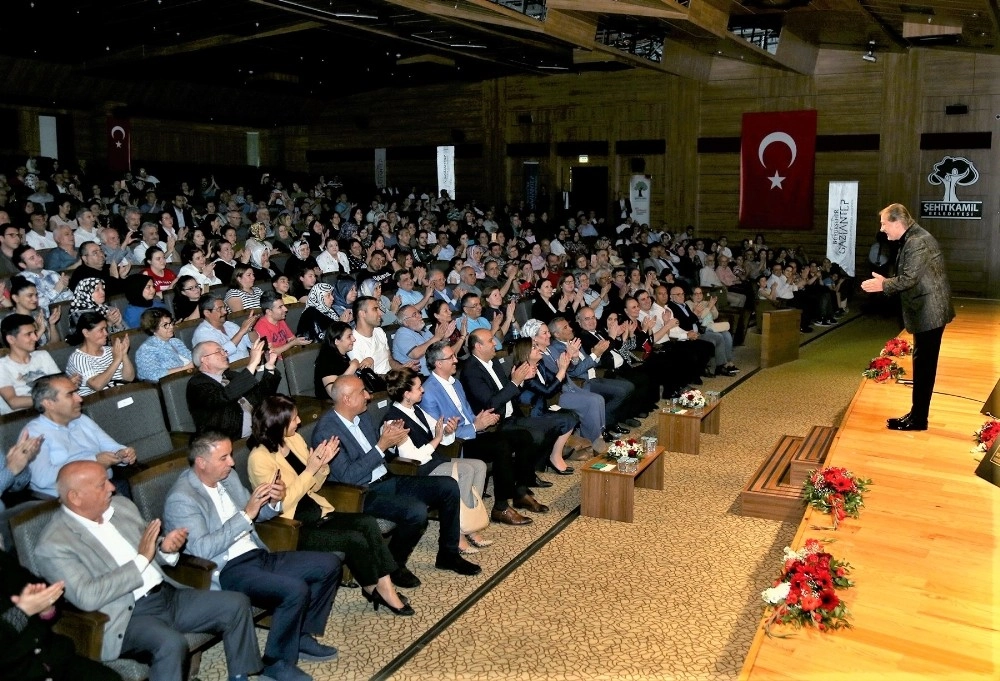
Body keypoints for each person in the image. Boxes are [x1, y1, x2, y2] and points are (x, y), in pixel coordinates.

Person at [34, 460, 262, 681]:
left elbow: (150, 549)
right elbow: (87, 596)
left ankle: (240, 676)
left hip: (166, 596)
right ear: (75, 497)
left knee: (237, 603)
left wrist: (165, 548)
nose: (112, 487)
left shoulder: (121, 507)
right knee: (170, 644)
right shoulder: (54, 544)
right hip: (126, 616)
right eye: (102, 484)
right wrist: (142, 558)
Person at [163, 432, 341, 681]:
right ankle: (274, 662)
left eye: (230, 456)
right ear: (202, 462)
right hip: (228, 569)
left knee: (330, 564)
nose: (232, 463)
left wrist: (273, 503)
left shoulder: (228, 477)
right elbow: (202, 549)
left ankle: (299, 634)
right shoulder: (182, 498)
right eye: (224, 457)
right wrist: (245, 515)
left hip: (257, 554)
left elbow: (256, 513)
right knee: (295, 590)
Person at [247, 395, 413, 616]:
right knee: (353, 538)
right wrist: (310, 469)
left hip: (316, 510)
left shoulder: (294, 440)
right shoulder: (259, 458)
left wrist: (322, 465)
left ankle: (383, 586)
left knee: (367, 522)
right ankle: (377, 589)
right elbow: (282, 503)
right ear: (279, 423)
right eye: (294, 419)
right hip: (293, 526)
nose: (299, 422)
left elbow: (313, 488)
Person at [310, 375, 480, 588]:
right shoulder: (327, 431)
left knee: (447, 486)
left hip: (387, 477)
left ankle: (448, 554)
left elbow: (380, 453)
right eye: (362, 392)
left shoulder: (362, 417)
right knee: (416, 511)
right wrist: (382, 446)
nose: (368, 396)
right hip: (361, 492)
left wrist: (392, 441)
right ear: (346, 399)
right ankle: (394, 566)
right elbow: (348, 476)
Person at [420, 340, 549, 524]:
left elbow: (466, 414)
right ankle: (501, 508)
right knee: (501, 446)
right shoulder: (428, 392)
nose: (456, 360)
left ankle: (520, 492)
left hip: (474, 433)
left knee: (523, 436)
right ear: (438, 363)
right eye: (451, 357)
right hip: (457, 445)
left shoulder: (455, 382)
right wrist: (475, 426)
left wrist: (481, 418)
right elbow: (439, 434)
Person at [861, 203, 955, 431]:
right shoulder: (912, 238)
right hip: (927, 309)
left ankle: (919, 419)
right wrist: (887, 281)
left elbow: (909, 278)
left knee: (924, 367)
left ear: (897, 222)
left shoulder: (917, 242)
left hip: (929, 312)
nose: (882, 229)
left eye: (884, 224)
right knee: (922, 365)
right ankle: (916, 414)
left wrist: (883, 284)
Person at [383, 368, 493, 551]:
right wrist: (436, 439)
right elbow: (412, 457)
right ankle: (458, 533)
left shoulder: (416, 410)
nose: (423, 390)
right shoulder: (393, 421)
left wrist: (448, 431)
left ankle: (471, 523)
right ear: (407, 394)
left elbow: (440, 432)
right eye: (419, 388)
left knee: (479, 466)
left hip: (433, 461)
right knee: (465, 471)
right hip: (416, 471)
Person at [0, 543, 122, 681]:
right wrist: (22, 612)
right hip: (16, 671)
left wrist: (46, 608)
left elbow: (44, 590)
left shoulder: (3, 561)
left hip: (51, 657)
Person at [23, 374, 137, 499]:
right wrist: (93, 462)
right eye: (70, 394)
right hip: (70, 500)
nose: (79, 398)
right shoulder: (34, 433)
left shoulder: (81, 419)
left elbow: (110, 445)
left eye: (76, 392)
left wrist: (122, 454)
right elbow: (42, 478)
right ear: (49, 403)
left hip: (106, 487)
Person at [187, 339, 280, 440]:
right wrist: (252, 363)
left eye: (224, 351)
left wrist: (270, 366)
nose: (225, 354)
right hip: (227, 440)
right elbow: (224, 396)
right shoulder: (197, 384)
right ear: (204, 359)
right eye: (219, 351)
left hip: (260, 430)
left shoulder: (231, 376)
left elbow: (261, 396)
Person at [0, 314, 59, 415]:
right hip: (22, 418)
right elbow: (13, 402)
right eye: (28, 334)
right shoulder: (2, 366)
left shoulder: (42, 356)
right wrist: (52, 399)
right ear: (11, 339)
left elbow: (59, 384)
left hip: (51, 412)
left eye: (35, 333)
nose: (35, 338)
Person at [65, 311, 135, 397]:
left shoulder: (111, 350)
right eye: (101, 330)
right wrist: (117, 360)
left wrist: (123, 355)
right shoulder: (78, 358)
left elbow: (129, 378)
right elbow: (97, 385)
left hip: (122, 395)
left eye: (105, 329)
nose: (106, 333)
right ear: (86, 333)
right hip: (99, 402)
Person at [313, 321, 371, 400]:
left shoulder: (342, 355)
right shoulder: (326, 359)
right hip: (329, 404)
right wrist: (353, 367)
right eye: (349, 336)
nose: (354, 339)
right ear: (337, 341)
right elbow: (332, 391)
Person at [134, 308, 194, 382]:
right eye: (165, 325)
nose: (171, 327)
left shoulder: (175, 341)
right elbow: (153, 375)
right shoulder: (146, 349)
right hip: (173, 384)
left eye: (171, 322)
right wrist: (186, 368)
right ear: (153, 329)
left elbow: (192, 359)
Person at [191, 295, 257, 361]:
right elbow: (218, 355)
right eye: (219, 309)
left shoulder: (230, 325)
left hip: (248, 365)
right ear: (207, 313)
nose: (225, 312)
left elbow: (255, 343)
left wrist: (250, 328)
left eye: (224, 308)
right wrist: (241, 332)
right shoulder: (202, 333)